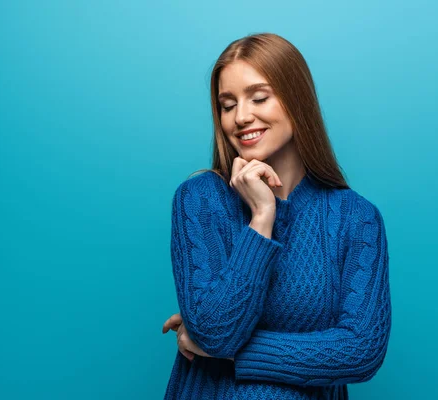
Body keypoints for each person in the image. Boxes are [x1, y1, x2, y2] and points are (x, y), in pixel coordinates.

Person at [160, 32, 392, 399]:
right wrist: (262, 218)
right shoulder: (201, 199)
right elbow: (217, 331)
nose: (241, 116)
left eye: (259, 97)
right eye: (227, 104)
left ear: (297, 100)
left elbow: (361, 352)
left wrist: (231, 354)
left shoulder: (356, 219)